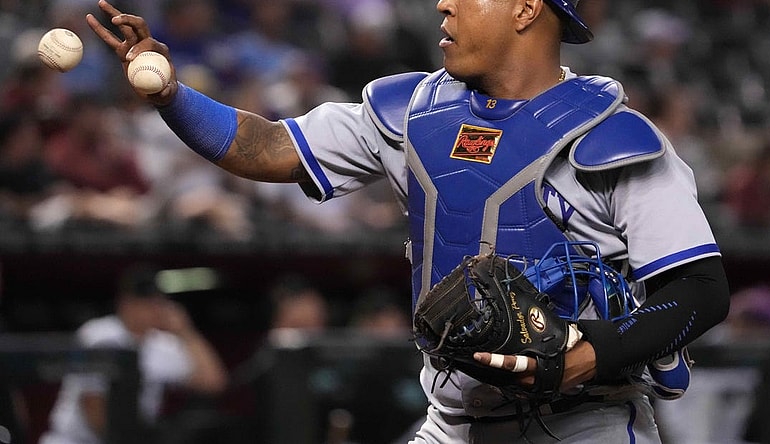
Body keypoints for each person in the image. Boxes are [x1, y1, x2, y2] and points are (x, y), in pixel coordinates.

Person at [86, 0, 730, 442]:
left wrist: (585, 357)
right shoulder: (415, 114)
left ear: (526, 9)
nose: (443, 5)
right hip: (456, 420)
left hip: (583, 423)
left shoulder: (611, 136)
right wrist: (171, 95)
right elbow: (270, 146)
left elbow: (701, 292)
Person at [39, 264, 228, 444]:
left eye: (157, 301)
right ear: (125, 302)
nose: (154, 308)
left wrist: (185, 331)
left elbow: (213, 382)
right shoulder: (100, 334)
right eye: (145, 302)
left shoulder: (163, 345)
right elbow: (93, 408)